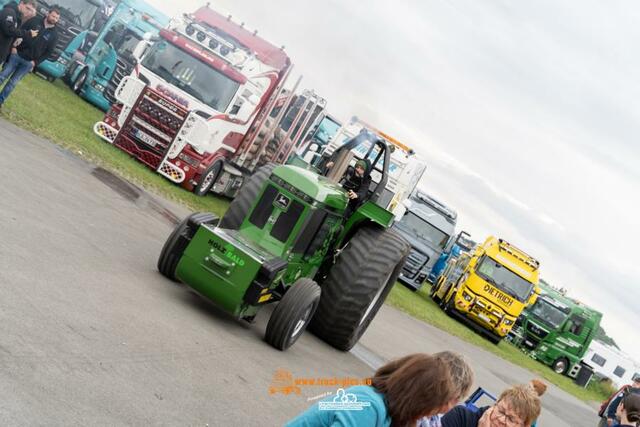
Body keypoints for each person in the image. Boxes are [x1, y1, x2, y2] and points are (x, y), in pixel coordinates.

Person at [286, 351, 474, 427]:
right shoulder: (366, 404)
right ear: (417, 398)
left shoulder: (394, 415)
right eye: (432, 406)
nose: (436, 412)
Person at [0, 7, 58, 110]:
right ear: (48, 14)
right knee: (2, 76)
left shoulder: (54, 35)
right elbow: (19, 31)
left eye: (57, 18)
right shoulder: (35, 20)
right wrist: (13, 47)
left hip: (28, 63)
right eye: (53, 16)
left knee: (12, 84)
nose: (54, 19)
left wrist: (35, 62)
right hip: (16, 55)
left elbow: (48, 52)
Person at [441, 384, 541, 427]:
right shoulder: (460, 416)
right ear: (495, 405)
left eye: (511, 419)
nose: (501, 419)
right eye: (501, 411)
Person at [0, 0, 37, 65]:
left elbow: (14, 33)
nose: (28, 11)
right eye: (27, 8)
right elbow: (9, 30)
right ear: (21, 3)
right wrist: (27, 33)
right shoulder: (9, 11)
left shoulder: (18, 16)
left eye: (30, 10)